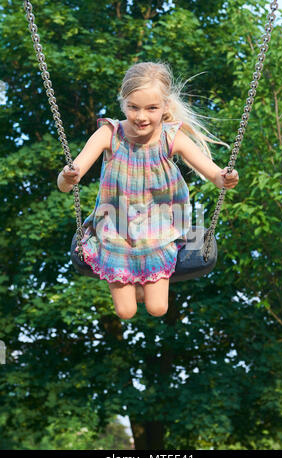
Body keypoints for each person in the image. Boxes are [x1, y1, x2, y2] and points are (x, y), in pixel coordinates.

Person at [57, 61, 239, 320]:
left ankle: (140, 278)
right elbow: (66, 183)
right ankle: (130, 277)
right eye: (133, 107)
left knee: (158, 308)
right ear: (123, 103)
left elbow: (214, 175)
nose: (141, 116)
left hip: (158, 231)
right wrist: (67, 176)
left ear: (165, 106)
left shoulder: (171, 138)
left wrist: (227, 177)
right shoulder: (109, 134)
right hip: (115, 231)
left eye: (151, 108)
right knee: (126, 311)